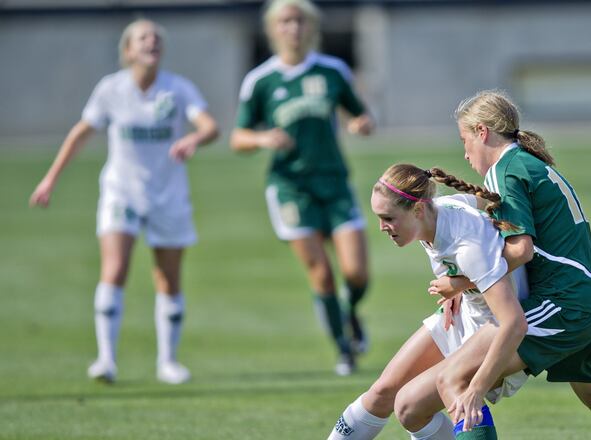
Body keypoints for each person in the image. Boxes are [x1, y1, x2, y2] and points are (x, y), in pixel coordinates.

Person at [426, 89, 591, 439]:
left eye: (464, 140)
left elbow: (521, 249)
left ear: (482, 132)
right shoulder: (529, 162)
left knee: (458, 379)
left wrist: (461, 283)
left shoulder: (504, 171)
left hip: (565, 303)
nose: (464, 153)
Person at [29, 19, 219, 385]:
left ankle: (168, 362)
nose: (152, 42)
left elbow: (210, 126)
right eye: (143, 38)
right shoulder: (111, 89)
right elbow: (82, 131)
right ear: (129, 50)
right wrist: (50, 178)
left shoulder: (178, 89)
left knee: (169, 278)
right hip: (122, 191)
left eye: (157, 38)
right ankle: (106, 360)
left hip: (168, 195)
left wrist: (195, 139)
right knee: (114, 270)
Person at [328, 163, 529, 440]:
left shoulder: (467, 244)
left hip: (493, 330)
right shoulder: (442, 208)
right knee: (382, 392)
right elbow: (491, 202)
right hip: (465, 314)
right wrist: (463, 286)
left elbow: (512, 320)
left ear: (418, 209)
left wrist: (463, 282)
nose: (382, 227)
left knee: (411, 408)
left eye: (388, 218)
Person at [230, 0, 374, 376]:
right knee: (321, 274)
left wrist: (361, 124)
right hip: (291, 188)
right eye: (285, 21)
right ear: (272, 29)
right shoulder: (261, 80)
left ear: (311, 27)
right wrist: (262, 140)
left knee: (356, 273)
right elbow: (238, 137)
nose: (292, 28)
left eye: (299, 21)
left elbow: (360, 113)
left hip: (334, 183)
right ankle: (344, 350)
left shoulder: (332, 71)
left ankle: (350, 312)